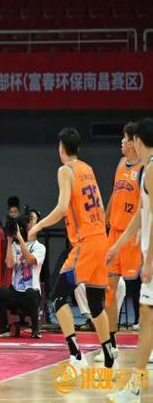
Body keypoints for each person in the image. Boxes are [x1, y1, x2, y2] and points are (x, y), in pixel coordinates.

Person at [29, 127, 115, 381]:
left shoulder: (65, 170)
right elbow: (100, 206)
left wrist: (38, 226)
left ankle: (76, 356)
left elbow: (61, 207)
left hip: (85, 244)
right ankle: (109, 357)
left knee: (57, 298)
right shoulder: (88, 169)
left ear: (61, 148)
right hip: (101, 240)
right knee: (96, 303)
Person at [107, 117, 153, 402]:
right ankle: (135, 387)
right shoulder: (145, 169)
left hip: (152, 257)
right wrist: (117, 244)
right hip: (141, 249)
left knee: (147, 316)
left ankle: (134, 388)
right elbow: (141, 214)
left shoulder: (151, 169)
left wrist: (149, 261)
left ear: (137, 140)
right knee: (147, 316)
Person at [94, 122, 143, 362]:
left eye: (124, 139)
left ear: (133, 142)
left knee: (142, 293)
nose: (121, 143)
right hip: (115, 234)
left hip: (134, 237)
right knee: (109, 291)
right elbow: (115, 193)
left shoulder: (145, 168)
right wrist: (104, 220)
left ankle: (147, 344)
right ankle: (110, 344)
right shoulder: (121, 163)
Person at [0, 214, 46, 339]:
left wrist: (21, 239)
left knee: (31, 293)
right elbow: (10, 264)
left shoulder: (39, 247)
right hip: (16, 292)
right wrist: (10, 241)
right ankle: (4, 328)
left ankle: (35, 329)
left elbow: (31, 260)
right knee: (0, 292)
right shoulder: (14, 246)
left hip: (31, 294)